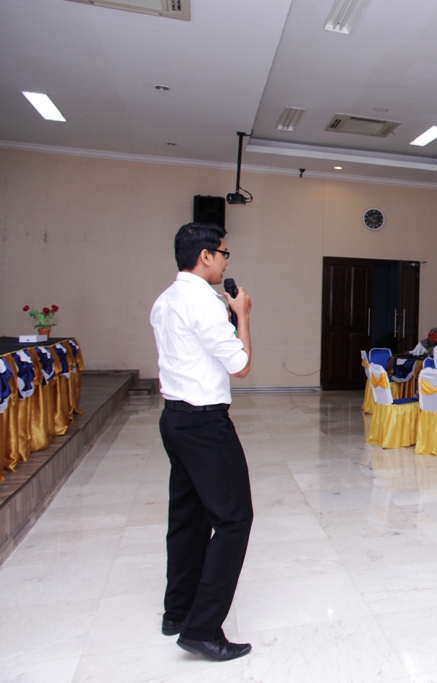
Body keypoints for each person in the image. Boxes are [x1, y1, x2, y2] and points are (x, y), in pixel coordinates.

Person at [150, 222, 253, 661]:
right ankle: (203, 627)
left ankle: (178, 611)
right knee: (233, 520)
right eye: (224, 253)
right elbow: (241, 365)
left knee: (188, 517)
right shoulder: (205, 303)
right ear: (206, 256)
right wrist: (243, 315)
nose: (227, 260)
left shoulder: (165, 299)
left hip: (174, 419)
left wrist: (227, 318)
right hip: (206, 425)